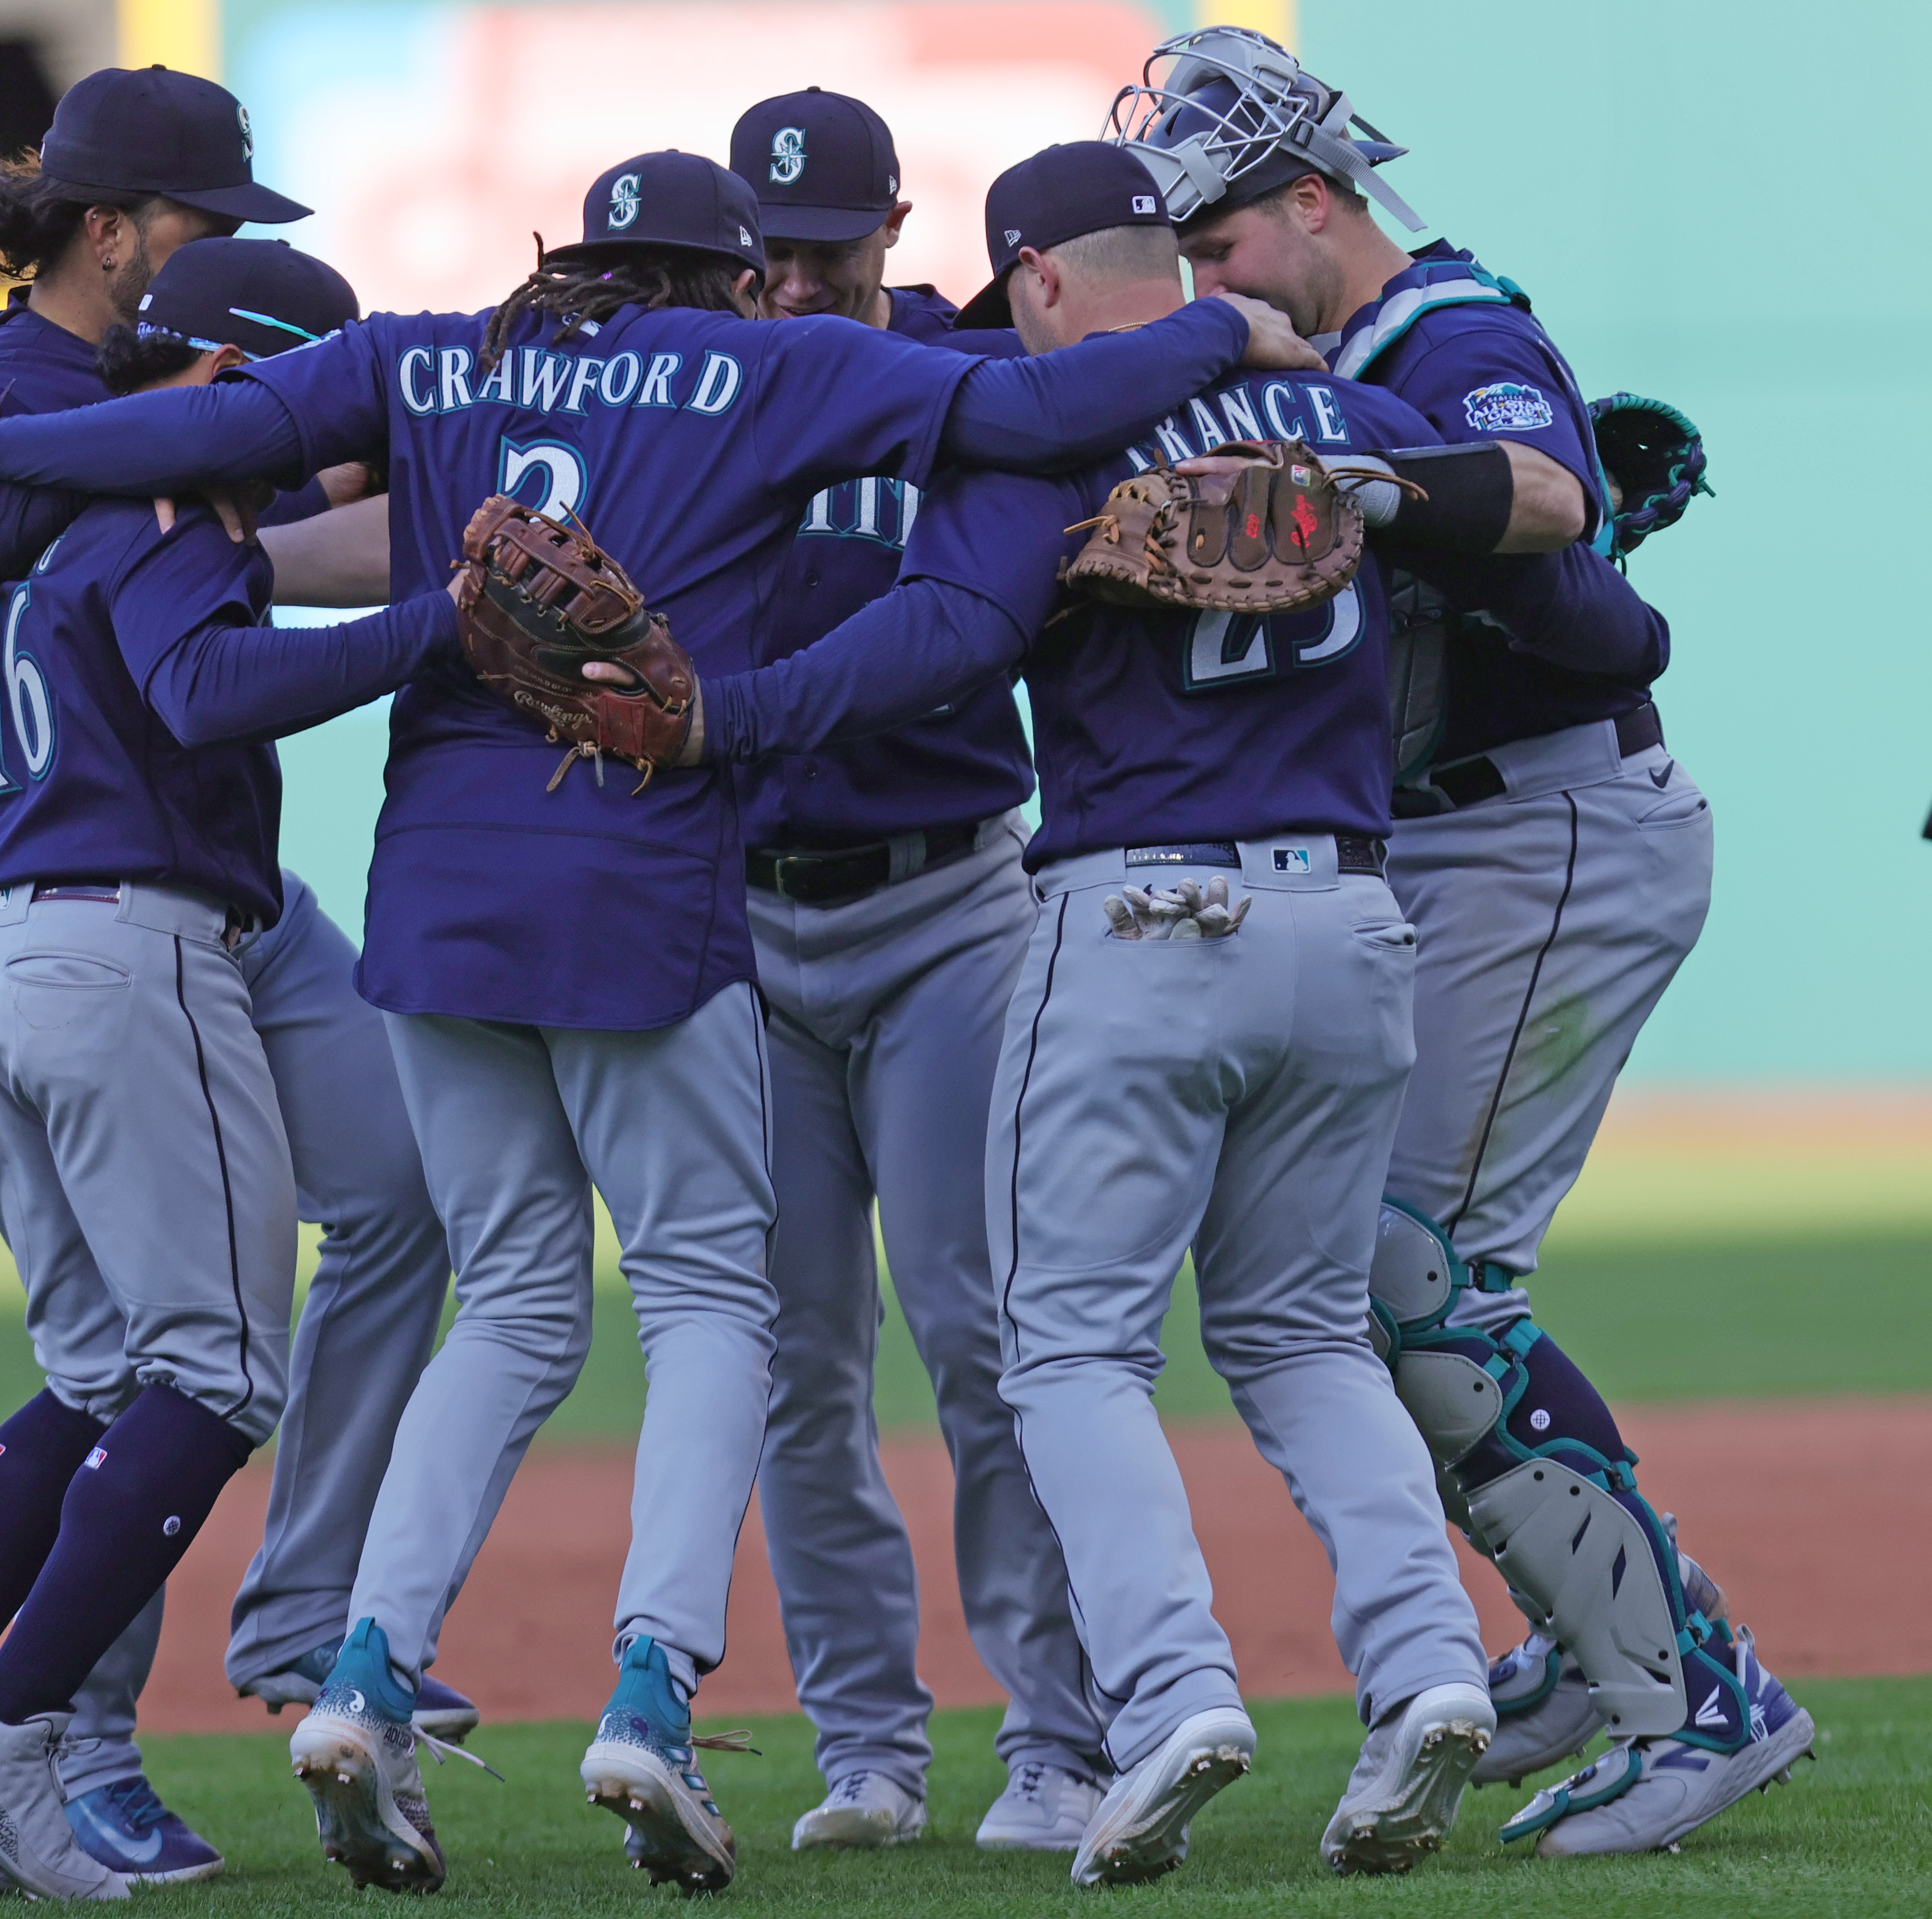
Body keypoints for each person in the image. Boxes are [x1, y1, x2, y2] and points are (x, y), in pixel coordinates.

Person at [0, 146, 1326, 1895]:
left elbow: (191, 442)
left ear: (577, 258)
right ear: (736, 275)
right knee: (707, 1301)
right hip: (640, 876)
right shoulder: (774, 361)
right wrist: (1232, 332)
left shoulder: (430, 351)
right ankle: (649, 1693)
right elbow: (1052, 417)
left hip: (436, 895)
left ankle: (361, 1672)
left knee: (504, 1301)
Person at [678, 141, 1693, 1885]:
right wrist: (1406, 501)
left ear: (1041, 282)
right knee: (1299, 1341)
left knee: (1066, 1345)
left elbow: (933, 647)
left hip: (1136, 919)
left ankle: (1169, 1700)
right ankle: (1429, 1672)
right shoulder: (1343, 422)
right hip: (1354, 927)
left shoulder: (1052, 428)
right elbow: (1614, 623)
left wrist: (725, 715)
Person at [1121, 24, 1813, 1855]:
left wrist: (1377, 492)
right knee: (1374, 1276)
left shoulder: (1444, 330)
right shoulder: (1358, 348)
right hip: (1477, 830)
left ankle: (1695, 1695)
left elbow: (1549, 498)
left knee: (1412, 1276)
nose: (1210, 283)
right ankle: (1596, 1651)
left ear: (1308, 201)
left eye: (1223, 246)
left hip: (1548, 826)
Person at [0, 74, 466, 1888]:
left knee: (304, 1258)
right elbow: (194, 676)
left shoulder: (99, 464)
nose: (230, 245)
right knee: (196, 1368)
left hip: (80, 906)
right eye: (205, 220)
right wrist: (441, 629)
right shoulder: (66, 441)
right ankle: (31, 1738)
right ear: (116, 233)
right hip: (122, 914)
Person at [723, 87, 1107, 1853]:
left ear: (894, 236)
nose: (793, 277)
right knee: (797, 1360)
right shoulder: (695, 387)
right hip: (744, 923)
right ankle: (865, 1749)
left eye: (826, 246)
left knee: (979, 1331)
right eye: (766, 249)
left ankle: (1057, 1739)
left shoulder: (962, 385)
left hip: (949, 905)